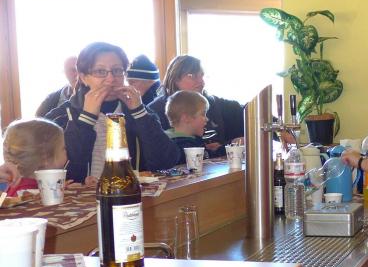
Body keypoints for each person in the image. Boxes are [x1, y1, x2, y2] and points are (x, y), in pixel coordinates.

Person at [45, 42, 181, 183]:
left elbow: (166, 161)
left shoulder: (138, 111)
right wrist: (86, 119)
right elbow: (62, 173)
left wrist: (140, 114)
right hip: (85, 196)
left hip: (131, 192)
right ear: (84, 77)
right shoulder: (61, 116)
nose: (111, 79)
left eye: (117, 71)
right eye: (100, 71)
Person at [147, 55, 243, 158]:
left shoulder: (215, 103)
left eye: (202, 75)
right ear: (174, 78)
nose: (201, 82)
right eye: (192, 76)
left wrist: (231, 144)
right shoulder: (155, 111)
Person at [1, 118, 67, 196]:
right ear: (45, 157)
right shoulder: (30, 193)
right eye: (64, 148)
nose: (67, 152)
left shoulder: (22, 184)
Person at [164, 90, 208, 162]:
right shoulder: (184, 147)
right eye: (203, 114)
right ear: (187, 118)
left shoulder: (168, 140)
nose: (207, 119)